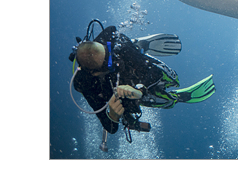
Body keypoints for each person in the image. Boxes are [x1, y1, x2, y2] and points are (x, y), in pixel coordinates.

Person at [69, 19, 215, 140]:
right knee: (165, 101)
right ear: (95, 73)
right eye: (109, 63)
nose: (114, 62)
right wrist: (113, 115)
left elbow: (154, 74)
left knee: (172, 78)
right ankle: (175, 98)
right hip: (118, 90)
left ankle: (138, 46)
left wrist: (139, 89)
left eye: (109, 54)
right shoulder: (86, 83)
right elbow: (110, 127)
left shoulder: (116, 44)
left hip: (132, 62)